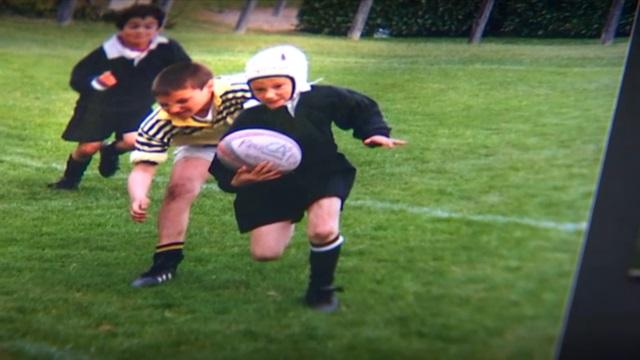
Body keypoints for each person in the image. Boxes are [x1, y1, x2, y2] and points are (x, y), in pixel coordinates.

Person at [209, 45, 407, 312]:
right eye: (259, 89)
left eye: (278, 86)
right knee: (265, 253)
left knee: (323, 229)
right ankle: (289, 215)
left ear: (296, 79)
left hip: (321, 172)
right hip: (272, 184)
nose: (268, 94)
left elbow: (362, 108)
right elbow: (223, 155)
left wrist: (374, 133)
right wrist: (236, 180)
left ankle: (321, 291)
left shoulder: (322, 97)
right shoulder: (251, 116)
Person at [128, 62, 252, 288]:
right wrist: (139, 195)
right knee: (178, 190)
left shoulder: (244, 88)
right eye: (165, 104)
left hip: (250, 138)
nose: (174, 109)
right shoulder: (158, 123)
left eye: (182, 100)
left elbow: (289, 93)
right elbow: (143, 168)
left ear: (209, 87)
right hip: (201, 145)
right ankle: (165, 264)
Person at [48, 4, 191, 190]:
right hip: (98, 107)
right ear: (122, 28)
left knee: (136, 140)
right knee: (88, 148)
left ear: (158, 28)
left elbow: (184, 69)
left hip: (137, 106)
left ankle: (110, 151)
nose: (141, 31)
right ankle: (69, 181)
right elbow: (78, 78)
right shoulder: (107, 52)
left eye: (148, 26)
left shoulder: (167, 48)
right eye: (134, 26)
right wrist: (97, 82)